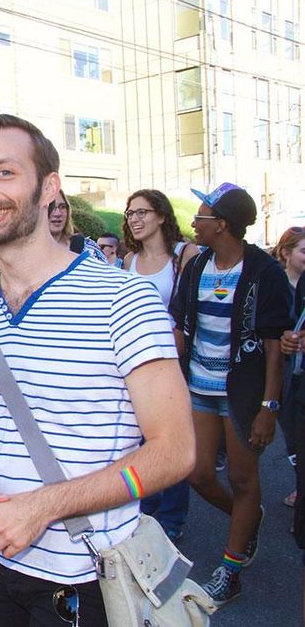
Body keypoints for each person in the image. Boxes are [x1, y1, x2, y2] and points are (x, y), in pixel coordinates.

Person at [0, 115, 194, 626]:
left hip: (91, 577)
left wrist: (43, 506)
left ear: (49, 187)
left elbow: (176, 451)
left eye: (4, 172)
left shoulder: (124, 299)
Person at [170, 183, 293, 605]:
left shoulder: (264, 271)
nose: (193, 223)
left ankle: (232, 567)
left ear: (221, 224)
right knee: (198, 472)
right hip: (200, 387)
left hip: (243, 394)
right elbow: (181, 328)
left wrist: (269, 406)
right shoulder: (196, 265)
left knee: (243, 477)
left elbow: (275, 342)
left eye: (201, 217)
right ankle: (248, 518)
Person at [122, 188, 199, 539]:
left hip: (173, 357)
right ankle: (146, 510)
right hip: (135, 361)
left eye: (142, 212)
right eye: (130, 214)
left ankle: (172, 520)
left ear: (162, 216)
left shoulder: (185, 255)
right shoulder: (129, 260)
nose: (134, 219)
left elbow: (190, 312)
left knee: (170, 436)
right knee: (140, 440)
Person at [274, 227, 305, 507]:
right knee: (291, 431)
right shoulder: (276, 282)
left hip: (300, 369)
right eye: (303, 251)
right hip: (283, 371)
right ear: (286, 253)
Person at [47, 188, 106, 261]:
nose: (57, 213)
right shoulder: (29, 253)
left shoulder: (89, 250)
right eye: (50, 207)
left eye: (62, 207)